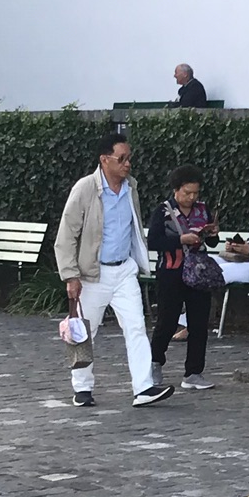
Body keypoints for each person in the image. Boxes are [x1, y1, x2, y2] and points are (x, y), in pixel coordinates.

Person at [56, 132, 173, 408]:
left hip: (124, 270)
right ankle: (82, 388)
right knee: (86, 330)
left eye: (129, 158)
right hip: (93, 274)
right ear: (104, 160)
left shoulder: (131, 187)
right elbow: (66, 235)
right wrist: (71, 275)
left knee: (136, 327)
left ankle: (143, 387)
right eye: (122, 159)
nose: (127, 164)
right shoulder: (85, 189)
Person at [147, 169, 219, 392]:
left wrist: (213, 233)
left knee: (199, 323)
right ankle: (154, 362)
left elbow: (213, 243)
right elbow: (153, 241)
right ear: (176, 190)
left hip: (197, 271)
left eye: (195, 193)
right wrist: (180, 240)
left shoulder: (202, 209)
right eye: (187, 192)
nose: (192, 197)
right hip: (171, 271)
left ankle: (194, 372)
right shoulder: (163, 211)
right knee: (167, 321)